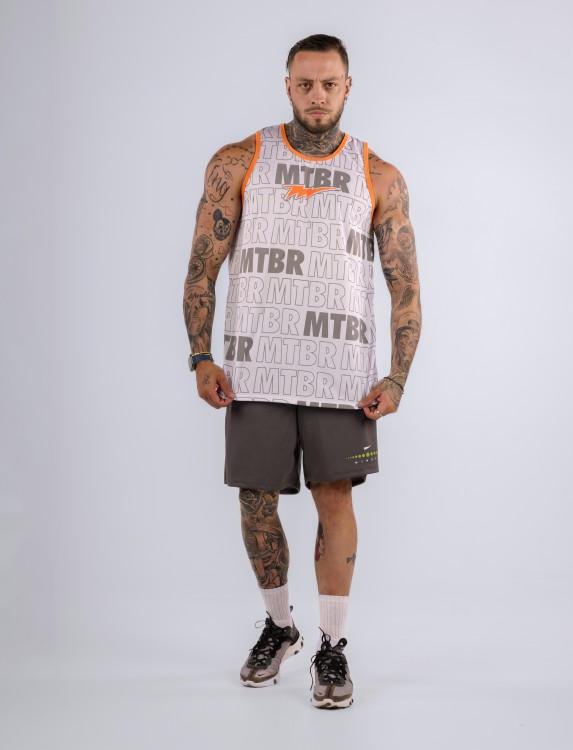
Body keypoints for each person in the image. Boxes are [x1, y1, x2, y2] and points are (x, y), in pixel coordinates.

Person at [183, 34, 421, 709]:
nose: (318, 95)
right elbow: (202, 264)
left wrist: (397, 376)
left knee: (334, 498)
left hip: (341, 372)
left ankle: (332, 646)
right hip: (255, 366)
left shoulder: (378, 175)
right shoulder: (240, 161)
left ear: (348, 87)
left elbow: (405, 285)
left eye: (329, 84)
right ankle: (279, 626)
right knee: (255, 500)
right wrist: (200, 354)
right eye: (306, 83)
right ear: (287, 85)